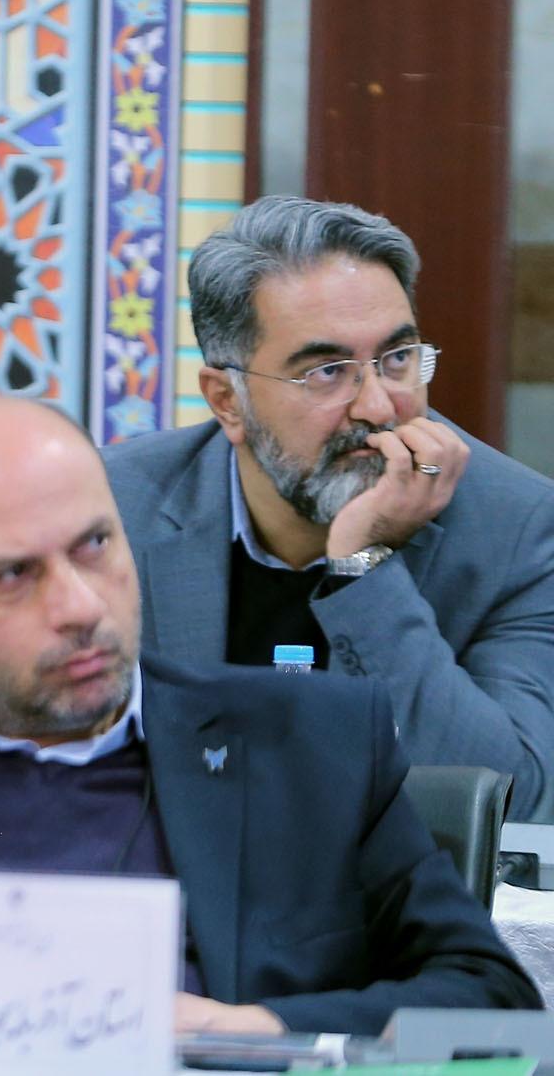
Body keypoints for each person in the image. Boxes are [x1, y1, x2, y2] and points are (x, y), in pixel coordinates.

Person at [0, 396, 538, 1037]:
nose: (79, 607)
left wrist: (250, 1027)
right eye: (12, 575)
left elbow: (492, 1005)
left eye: (95, 547)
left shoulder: (313, 743)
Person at [105, 197, 554, 817]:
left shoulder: (519, 528)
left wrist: (364, 567)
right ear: (228, 400)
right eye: (327, 372)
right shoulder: (113, 509)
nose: (378, 406)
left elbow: (516, 805)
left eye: (397, 360)